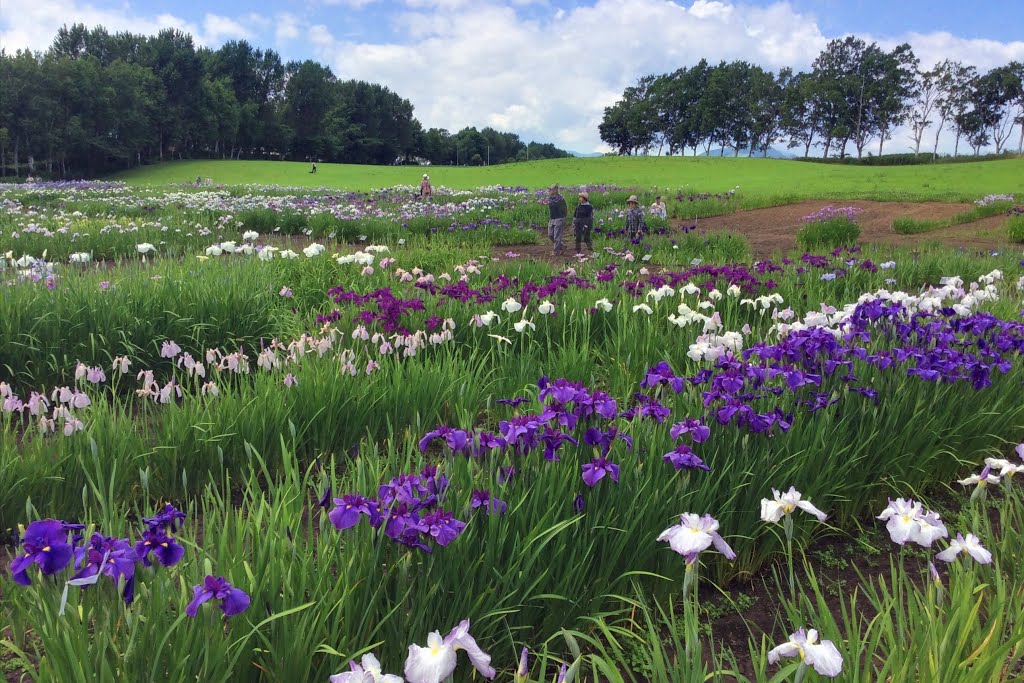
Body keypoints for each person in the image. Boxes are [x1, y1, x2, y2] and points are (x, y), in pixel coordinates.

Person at [547, 184, 568, 256]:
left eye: (551, 189)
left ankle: (556, 252)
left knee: (557, 237)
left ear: (555, 190)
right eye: (549, 189)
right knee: (550, 235)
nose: (549, 191)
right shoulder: (550, 198)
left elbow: (564, 209)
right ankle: (562, 246)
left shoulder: (560, 199)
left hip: (559, 218)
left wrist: (563, 218)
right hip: (552, 218)